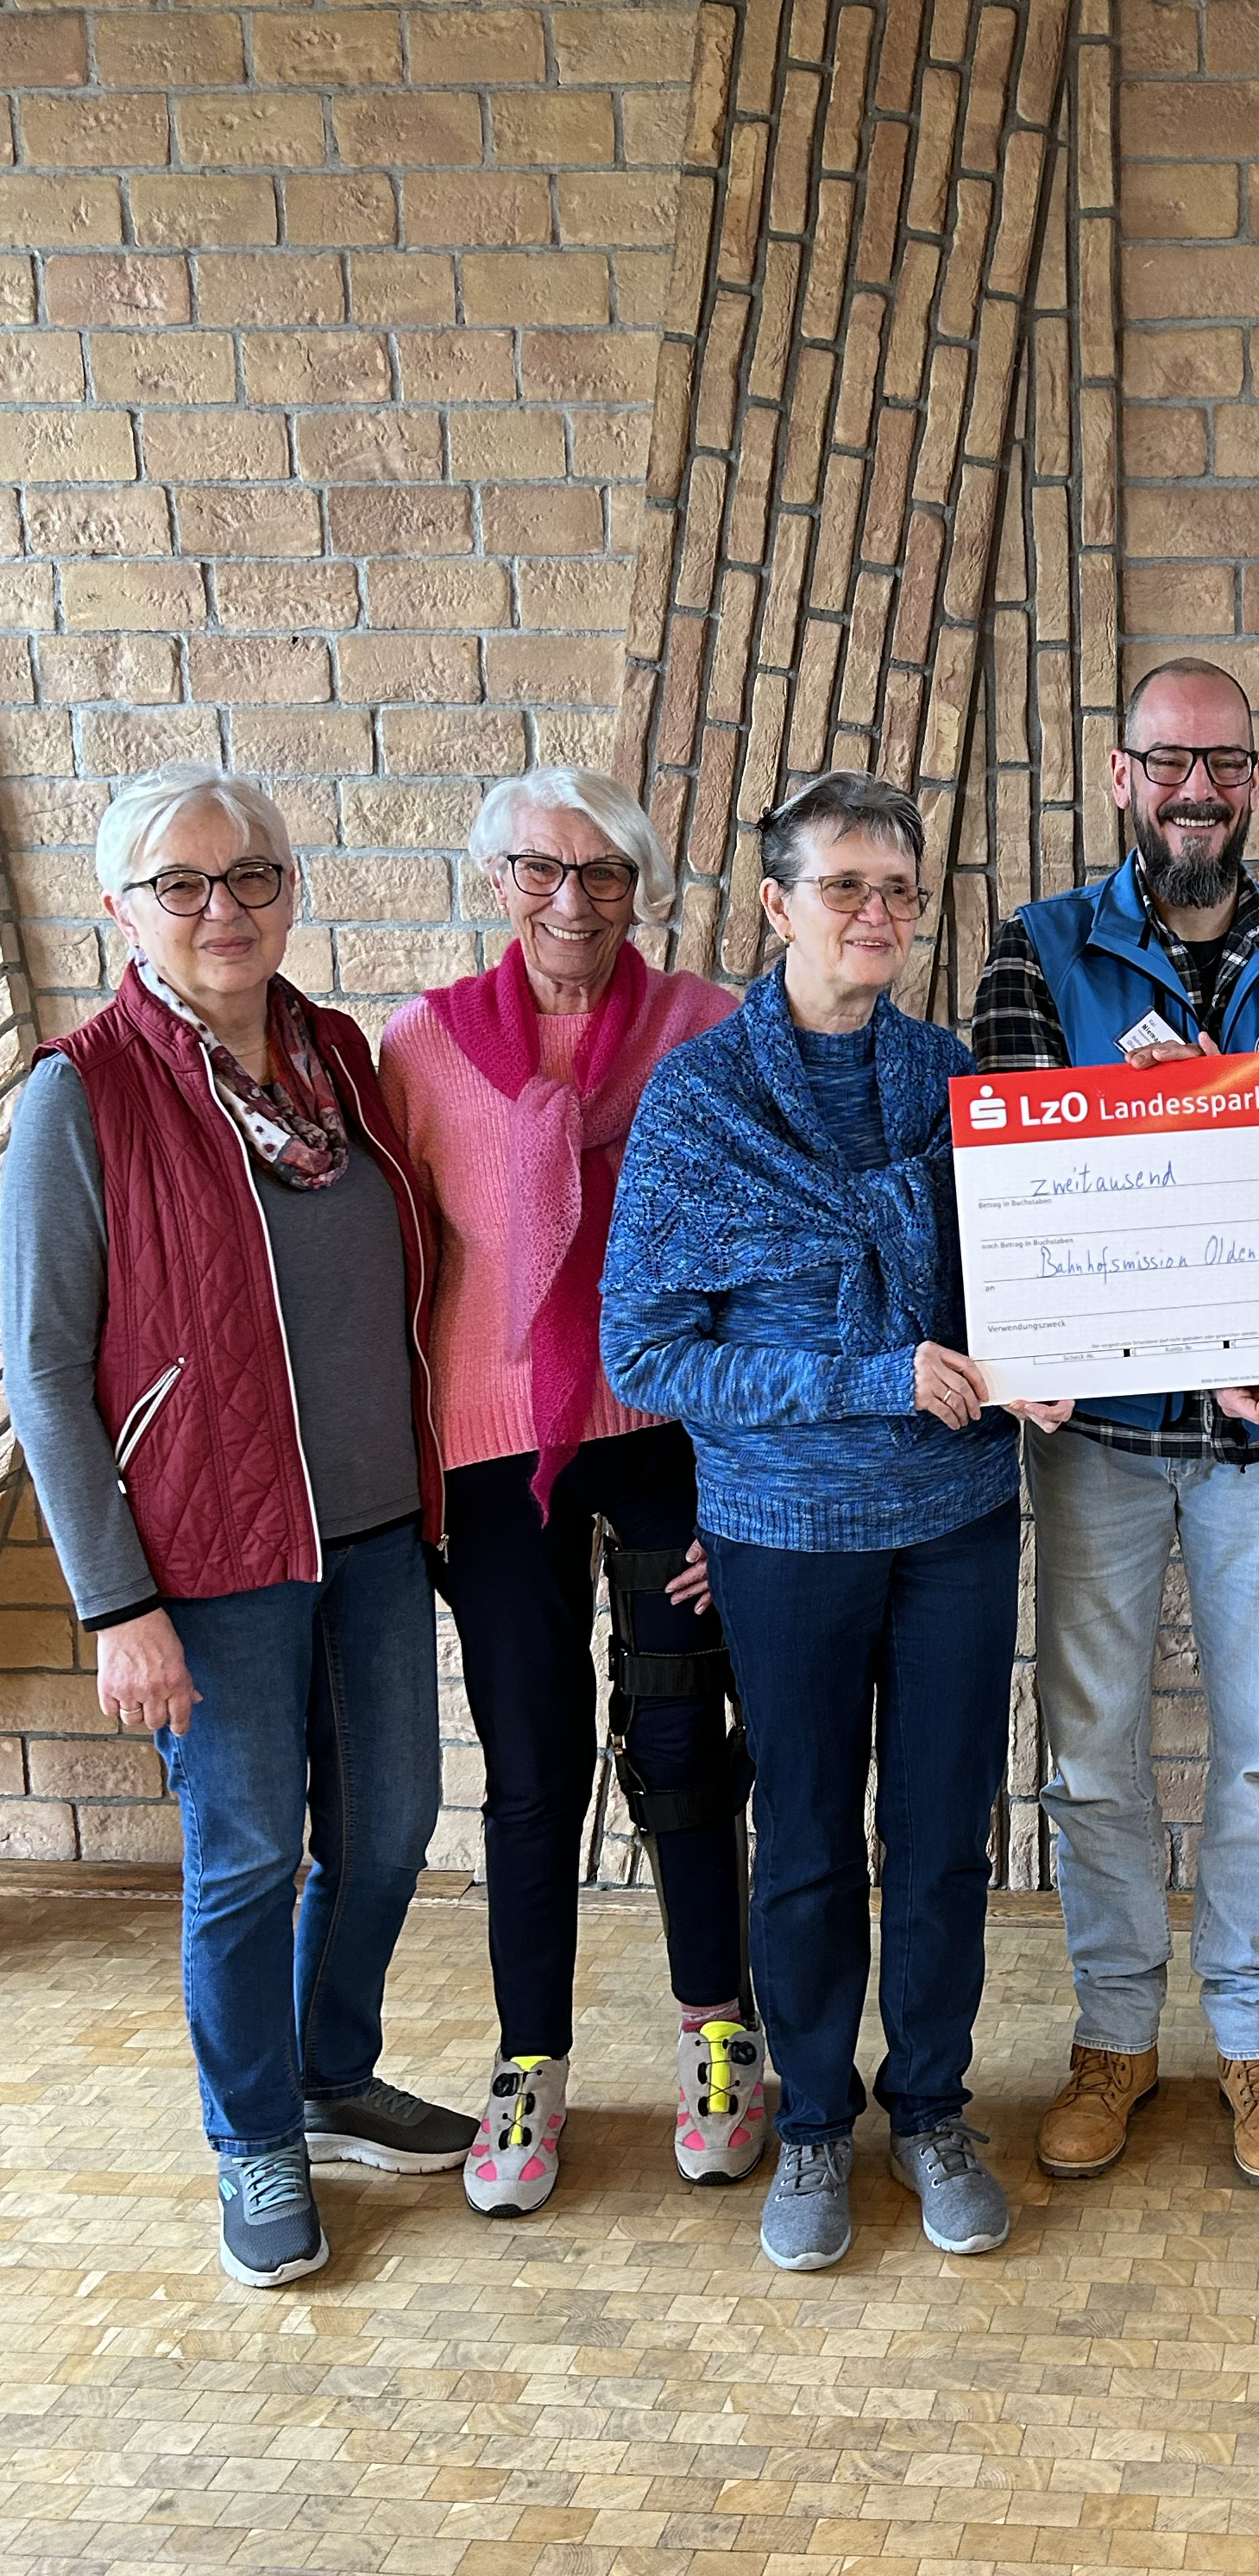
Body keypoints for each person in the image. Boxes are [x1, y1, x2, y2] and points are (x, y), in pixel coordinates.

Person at [0, 763, 469, 2288]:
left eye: (252, 875)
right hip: (206, 1559)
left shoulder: (338, 1052)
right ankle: (252, 2134)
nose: (225, 909)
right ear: (125, 908)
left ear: (289, 889)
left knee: (392, 1825)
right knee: (247, 1855)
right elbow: (44, 1373)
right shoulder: (81, 1091)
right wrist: (116, 1605)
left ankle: (330, 2072)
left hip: (378, 1532)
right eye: (184, 884)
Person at [971, 657, 1259, 2190]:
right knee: (1091, 1750)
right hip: (1101, 1440)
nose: (1196, 788)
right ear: (1123, 771)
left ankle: (1258, 2036)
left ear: (1254, 779)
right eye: (1168, 762)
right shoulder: (1038, 953)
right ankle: (1114, 2033)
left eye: (1223, 764)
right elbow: (1013, 1196)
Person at [602, 771, 1024, 2271]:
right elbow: (645, 1350)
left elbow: (1022, 1284)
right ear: (775, 904)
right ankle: (809, 2128)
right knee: (800, 1843)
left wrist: (1044, 1360)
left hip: (960, 1518)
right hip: (783, 1528)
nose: (877, 915)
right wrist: (868, 1371)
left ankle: (930, 2106)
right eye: (844, 886)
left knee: (938, 1836)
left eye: (899, 890)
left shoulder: (954, 1080)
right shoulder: (702, 1101)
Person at [380, 769, 745, 2218]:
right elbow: (396, 1268)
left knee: (680, 1744)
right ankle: (530, 2063)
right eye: (541, 869)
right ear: (497, 881)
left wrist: (741, 1479)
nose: (572, 900)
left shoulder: (705, 1031)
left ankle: (718, 2031)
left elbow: (752, 1252)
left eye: (602, 874)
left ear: (640, 890)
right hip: (490, 1450)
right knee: (531, 1765)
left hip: (668, 1437)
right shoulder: (420, 1047)